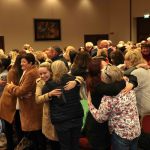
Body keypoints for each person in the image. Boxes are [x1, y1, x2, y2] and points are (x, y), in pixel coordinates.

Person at [88, 64, 141, 150]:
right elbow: (128, 76)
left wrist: (90, 104)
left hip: (121, 135)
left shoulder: (108, 98)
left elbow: (100, 118)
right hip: (136, 130)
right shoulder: (128, 84)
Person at [42, 60, 84, 150]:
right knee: (75, 144)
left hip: (61, 120)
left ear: (52, 70)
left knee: (65, 146)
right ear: (65, 68)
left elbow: (41, 97)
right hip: (76, 116)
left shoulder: (49, 85)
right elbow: (81, 78)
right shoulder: (74, 80)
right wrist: (77, 81)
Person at [6, 53, 44, 150]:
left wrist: (10, 86)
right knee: (36, 135)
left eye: (24, 62)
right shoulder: (28, 71)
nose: (21, 64)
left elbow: (21, 91)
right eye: (21, 61)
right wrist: (22, 93)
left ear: (31, 63)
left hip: (31, 108)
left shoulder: (31, 73)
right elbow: (23, 91)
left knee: (36, 136)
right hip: (30, 107)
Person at [0, 55, 23, 150]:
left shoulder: (17, 71)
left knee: (15, 127)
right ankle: (12, 146)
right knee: (11, 128)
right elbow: (11, 88)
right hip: (9, 102)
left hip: (13, 103)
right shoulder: (13, 72)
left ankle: (16, 145)